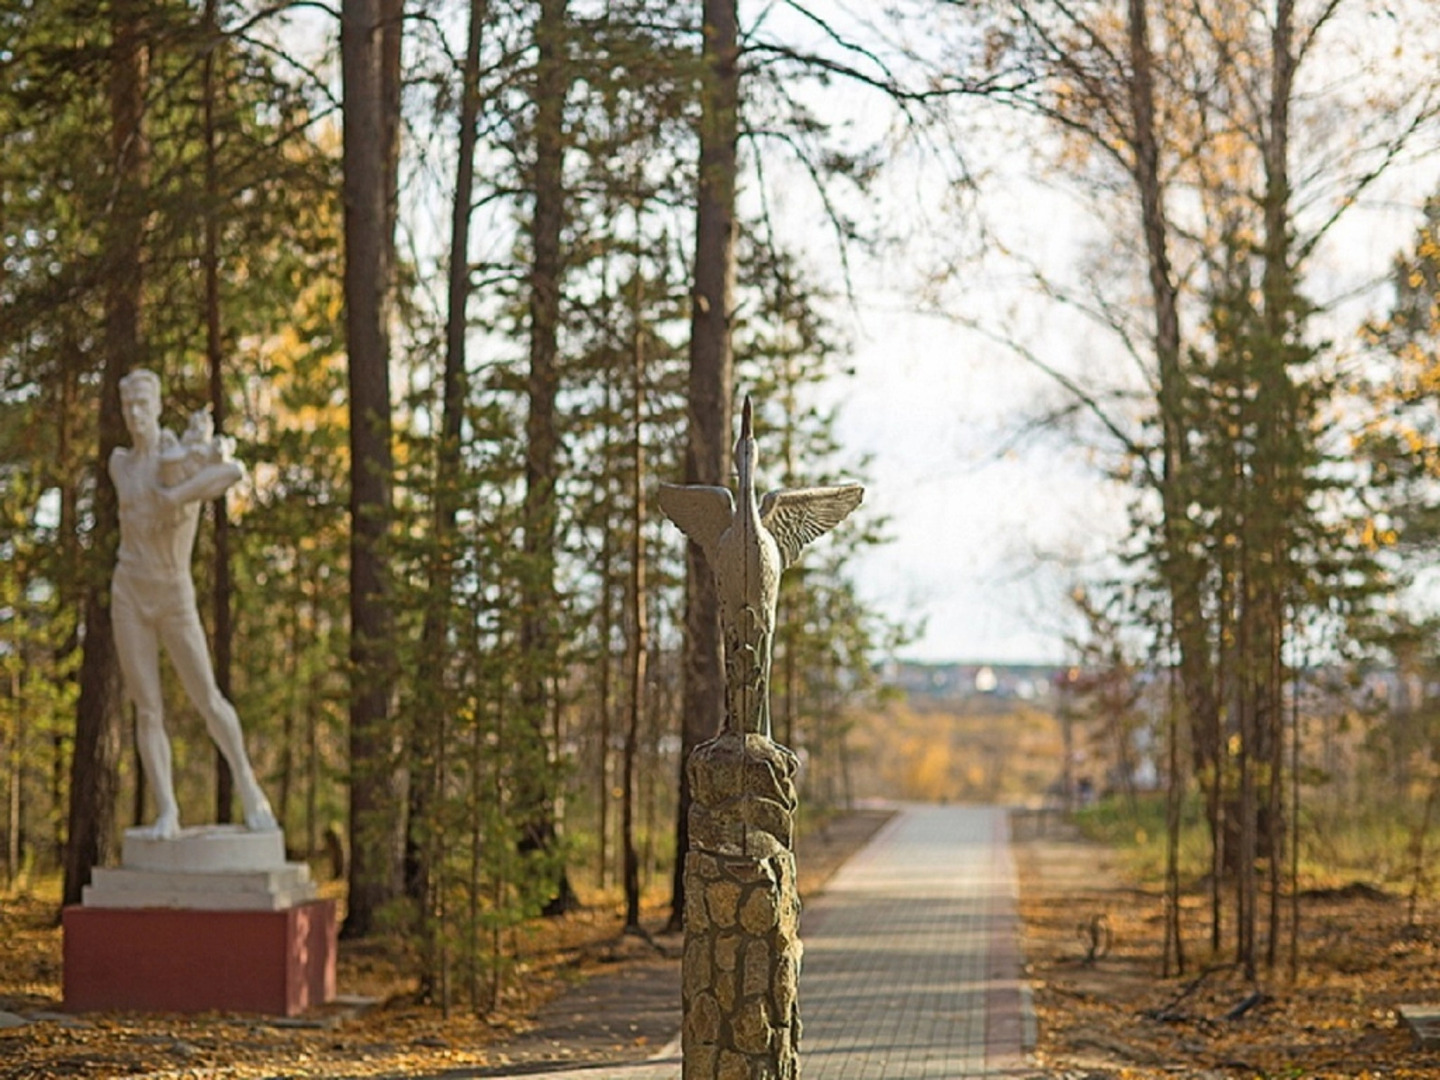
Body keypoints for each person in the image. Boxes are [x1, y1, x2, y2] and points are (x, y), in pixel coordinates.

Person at [110, 368, 277, 839]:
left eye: (143, 405)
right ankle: (167, 811)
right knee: (148, 708)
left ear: (158, 406)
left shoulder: (179, 458)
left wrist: (178, 494)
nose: (136, 415)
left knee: (208, 698)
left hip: (173, 594)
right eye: (129, 407)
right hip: (129, 591)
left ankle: (248, 786)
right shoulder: (121, 464)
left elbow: (233, 470)